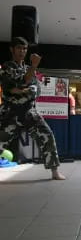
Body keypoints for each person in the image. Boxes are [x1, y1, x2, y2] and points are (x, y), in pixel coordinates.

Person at [0, 37, 65, 180]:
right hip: (11, 111)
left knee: (47, 135)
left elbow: (36, 90)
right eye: (19, 48)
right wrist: (32, 69)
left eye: (24, 49)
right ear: (12, 49)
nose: (22, 51)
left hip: (29, 111)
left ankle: (54, 171)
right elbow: (21, 83)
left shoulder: (26, 69)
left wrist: (23, 89)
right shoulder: (7, 67)